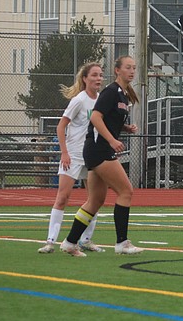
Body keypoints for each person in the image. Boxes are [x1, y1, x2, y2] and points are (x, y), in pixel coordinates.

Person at [60, 55, 143, 256]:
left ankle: (70, 242)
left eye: (134, 68)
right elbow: (96, 118)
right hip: (100, 150)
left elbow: (107, 119)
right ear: (117, 70)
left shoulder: (123, 95)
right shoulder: (111, 92)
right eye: (128, 67)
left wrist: (124, 128)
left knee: (95, 200)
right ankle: (122, 243)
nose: (132, 71)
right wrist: (112, 141)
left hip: (96, 149)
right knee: (126, 191)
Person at [38, 63, 105, 254]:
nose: (98, 78)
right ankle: (50, 241)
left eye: (100, 75)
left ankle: (85, 240)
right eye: (94, 75)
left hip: (91, 155)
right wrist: (65, 153)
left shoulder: (100, 100)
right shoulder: (79, 100)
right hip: (74, 155)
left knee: (94, 199)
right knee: (63, 197)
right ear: (85, 79)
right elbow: (61, 126)